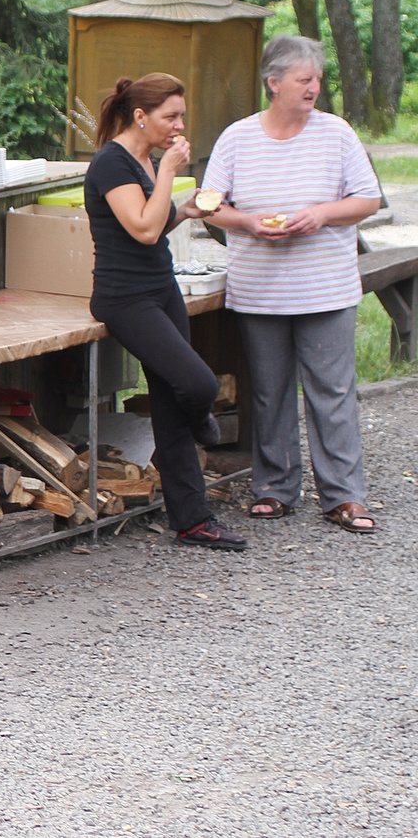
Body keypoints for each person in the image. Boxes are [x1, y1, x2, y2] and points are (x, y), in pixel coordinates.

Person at [202, 35, 382, 532]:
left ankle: (344, 496)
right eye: (305, 80)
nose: (314, 89)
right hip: (261, 290)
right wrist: (249, 223)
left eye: (318, 80)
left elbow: (368, 200)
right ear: (273, 83)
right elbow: (208, 204)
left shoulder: (337, 133)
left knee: (333, 390)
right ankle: (275, 488)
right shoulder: (238, 137)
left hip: (326, 288)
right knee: (269, 392)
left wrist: (323, 213)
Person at [84, 73, 245, 550]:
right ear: (140, 116)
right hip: (124, 298)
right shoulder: (111, 164)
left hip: (160, 287)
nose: (179, 125)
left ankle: (193, 521)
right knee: (198, 384)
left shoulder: (145, 159)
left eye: (181, 116)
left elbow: (158, 218)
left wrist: (187, 209)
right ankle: (205, 425)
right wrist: (173, 170)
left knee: (171, 404)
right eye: (170, 116)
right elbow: (143, 230)